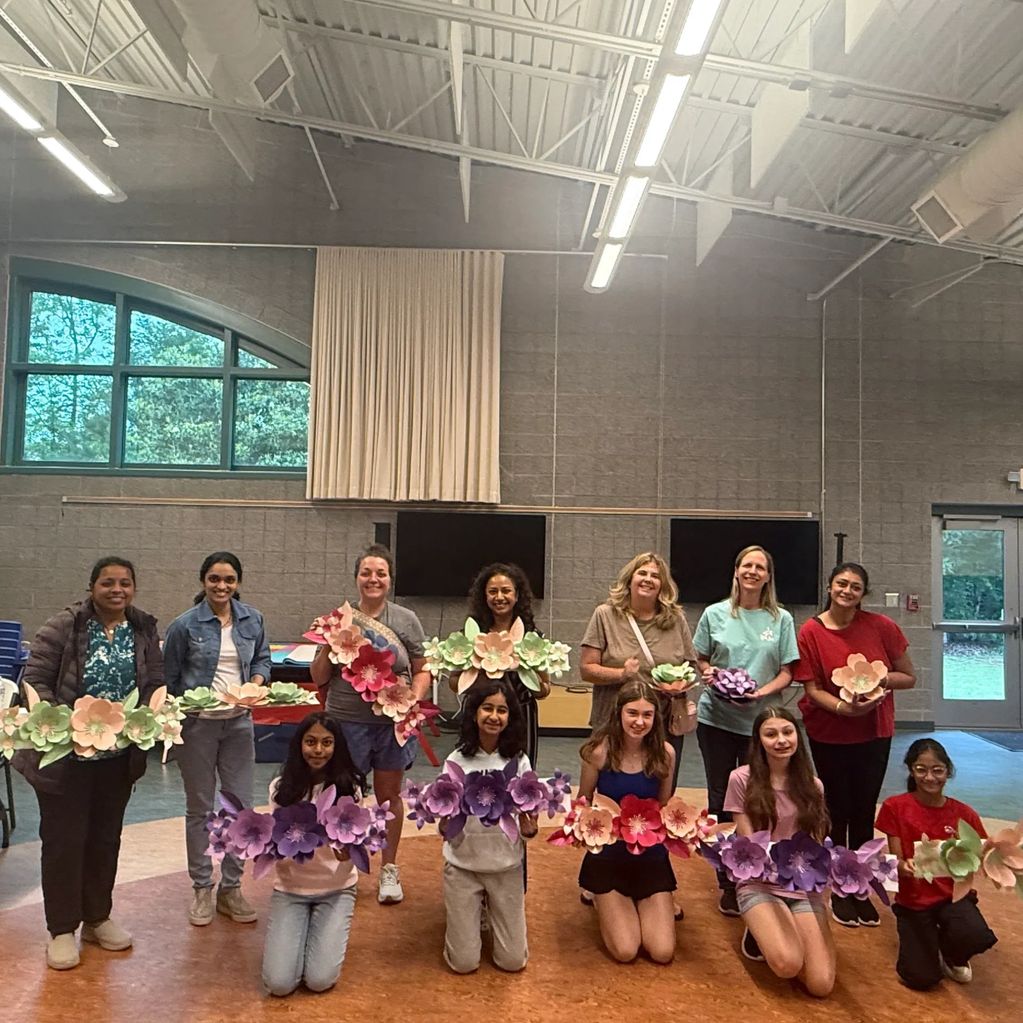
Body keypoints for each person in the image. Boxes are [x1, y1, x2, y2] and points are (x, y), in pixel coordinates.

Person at [14, 557, 164, 971]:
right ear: (92, 586)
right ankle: (62, 929)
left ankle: (97, 919)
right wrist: (56, 723)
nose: (117, 590)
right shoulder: (65, 625)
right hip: (65, 759)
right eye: (107, 583)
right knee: (65, 842)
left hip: (116, 760)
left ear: (134, 587)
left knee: (104, 839)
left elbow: (153, 680)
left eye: (125, 583)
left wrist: (154, 715)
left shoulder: (143, 628)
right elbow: (36, 678)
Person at [794, 561, 916, 928]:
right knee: (836, 810)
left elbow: (908, 676)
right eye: (841, 584)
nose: (847, 591)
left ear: (864, 594)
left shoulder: (882, 627)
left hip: (873, 731)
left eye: (856, 587)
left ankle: (859, 885)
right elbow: (812, 689)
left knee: (863, 812)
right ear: (830, 587)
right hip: (830, 730)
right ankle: (838, 886)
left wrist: (876, 681)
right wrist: (844, 708)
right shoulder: (811, 632)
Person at [310, 544, 430, 904]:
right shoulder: (339, 619)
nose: (373, 579)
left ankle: (388, 868)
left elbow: (423, 667)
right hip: (345, 722)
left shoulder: (406, 619)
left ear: (390, 579)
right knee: (346, 795)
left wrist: (414, 699)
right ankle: (345, 867)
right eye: (366, 573)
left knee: (389, 795)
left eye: (380, 573)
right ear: (356, 577)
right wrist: (325, 645)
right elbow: (319, 678)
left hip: (391, 723)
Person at [163, 551, 271, 927]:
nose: (221, 586)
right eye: (214, 579)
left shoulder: (253, 619)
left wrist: (256, 684)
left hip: (239, 724)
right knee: (200, 808)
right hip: (197, 727)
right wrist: (182, 712)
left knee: (240, 808)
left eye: (228, 579)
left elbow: (262, 660)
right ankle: (201, 887)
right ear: (203, 581)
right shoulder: (184, 626)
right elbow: (170, 677)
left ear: (238, 582)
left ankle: (231, 888)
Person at [694, 545, 799, 917]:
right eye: (747, 565)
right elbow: (701, 658)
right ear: (736, 571)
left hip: (761, 726)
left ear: (768, 576)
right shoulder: (714, 614)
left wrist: (760, 693)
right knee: (722, 797)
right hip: (716, 719)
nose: (753, 571)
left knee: (760, 796)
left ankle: (761, 871)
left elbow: (788, 671)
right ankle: (728, 878)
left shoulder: (781, 619)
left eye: (760, 567)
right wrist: (710, 676)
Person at [724, 706, 835, 998]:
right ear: (758, 740)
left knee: (821, 984)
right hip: (759, 880)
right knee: (787, 964)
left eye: (787, 732)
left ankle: (781, 922)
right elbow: (748, 845)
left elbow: (815, 841)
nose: (781, 740)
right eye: (770, 734)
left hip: (800, 884)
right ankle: (760, 926)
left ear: (797, 736)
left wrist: (825, 876)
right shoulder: (740, 779)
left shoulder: (814, 786)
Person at [875, 738, 997, 990]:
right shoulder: (895, 807)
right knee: (922, 979)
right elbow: (896, 862)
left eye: (937, 770)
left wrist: (993, 859)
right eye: (921, 769)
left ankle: (952, 953)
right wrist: (904, 866)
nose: (929, 777)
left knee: (977, 936)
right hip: (914, 901)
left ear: (948, 771)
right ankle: (927, 941)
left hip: (952, 896)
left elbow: (980, 855)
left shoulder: (964, 814)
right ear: (911, 770)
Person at [262, 714, 364, 996]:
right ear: (299, 745)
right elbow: (277, 844)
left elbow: (354, 849)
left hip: (336, 889)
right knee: (279, 985)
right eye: (311, 742)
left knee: (320, 981)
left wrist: (347, 852)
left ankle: (319, 934)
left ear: (337, 747)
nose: (318, 750)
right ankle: (300, 933)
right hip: (291, 889)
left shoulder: (350, 790)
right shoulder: (280, 789)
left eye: (326, 743)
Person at [577, 680, 677, 964]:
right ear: (619, 713)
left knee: (662, 952)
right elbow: (583, 802)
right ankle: (601, 897)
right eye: (632, 713)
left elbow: (664, 805)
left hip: (650, 856)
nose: (639, 721)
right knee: (625, 950)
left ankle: (652, 900)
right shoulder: (598, 751)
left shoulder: (665, 754)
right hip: (609, 857)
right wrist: (589, 830)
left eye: (647, 715)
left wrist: (685, 830)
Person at [580, 552, 696, 793]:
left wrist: (679, 683)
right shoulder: (605, 615)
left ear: (663, 585)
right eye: (642, 573)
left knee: (660, 789)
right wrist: (622, 674)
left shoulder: (676, 619)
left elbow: (689, 667)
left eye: (655, 576)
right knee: (609, 790)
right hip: (612, 719)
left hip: (662, 721)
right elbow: (586, 669)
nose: (648, 579)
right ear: (629, 579)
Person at [442, 679, 536, 974]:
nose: (494, 716)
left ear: (510, 717)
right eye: (487, 708)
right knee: (463, 964)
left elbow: (531, 827)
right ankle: (469, 917)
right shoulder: (456, 761)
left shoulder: (519, 762)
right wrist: (442, 814)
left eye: (502, 710)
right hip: (463, 866)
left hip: (505, 867)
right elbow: (445, 826)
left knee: (513, 962)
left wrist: (529, 822)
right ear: (473, 713)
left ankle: (491, 912)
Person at [459, 563, 551, 767]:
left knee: (520, 780)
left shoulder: (533, 638)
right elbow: (454, 683)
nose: (499, 597)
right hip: (479, 715)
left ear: (517, 595)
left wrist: (529, 676)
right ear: (484, 596)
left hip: (522, 715)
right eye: (492, 591)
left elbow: (544, 689)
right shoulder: (470, 634)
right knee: (474, 773)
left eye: (506, 590)